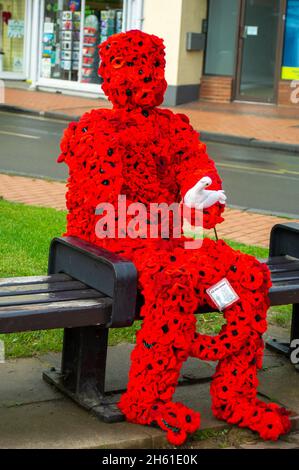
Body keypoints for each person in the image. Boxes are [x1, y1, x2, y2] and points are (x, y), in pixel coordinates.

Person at [58, 30, 291, 445]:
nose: (146, 76)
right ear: (109, 75)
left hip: (173, 237)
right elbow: (104, 210)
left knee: (249, 277)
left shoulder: (173, 128)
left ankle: (235, 395)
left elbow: (196, 170)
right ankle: (146, 398)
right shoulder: (94, 131)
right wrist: (180, 213)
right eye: (132, 67)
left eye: (154, 66)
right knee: (174, 283)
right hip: (111, 244)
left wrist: (200, 195)